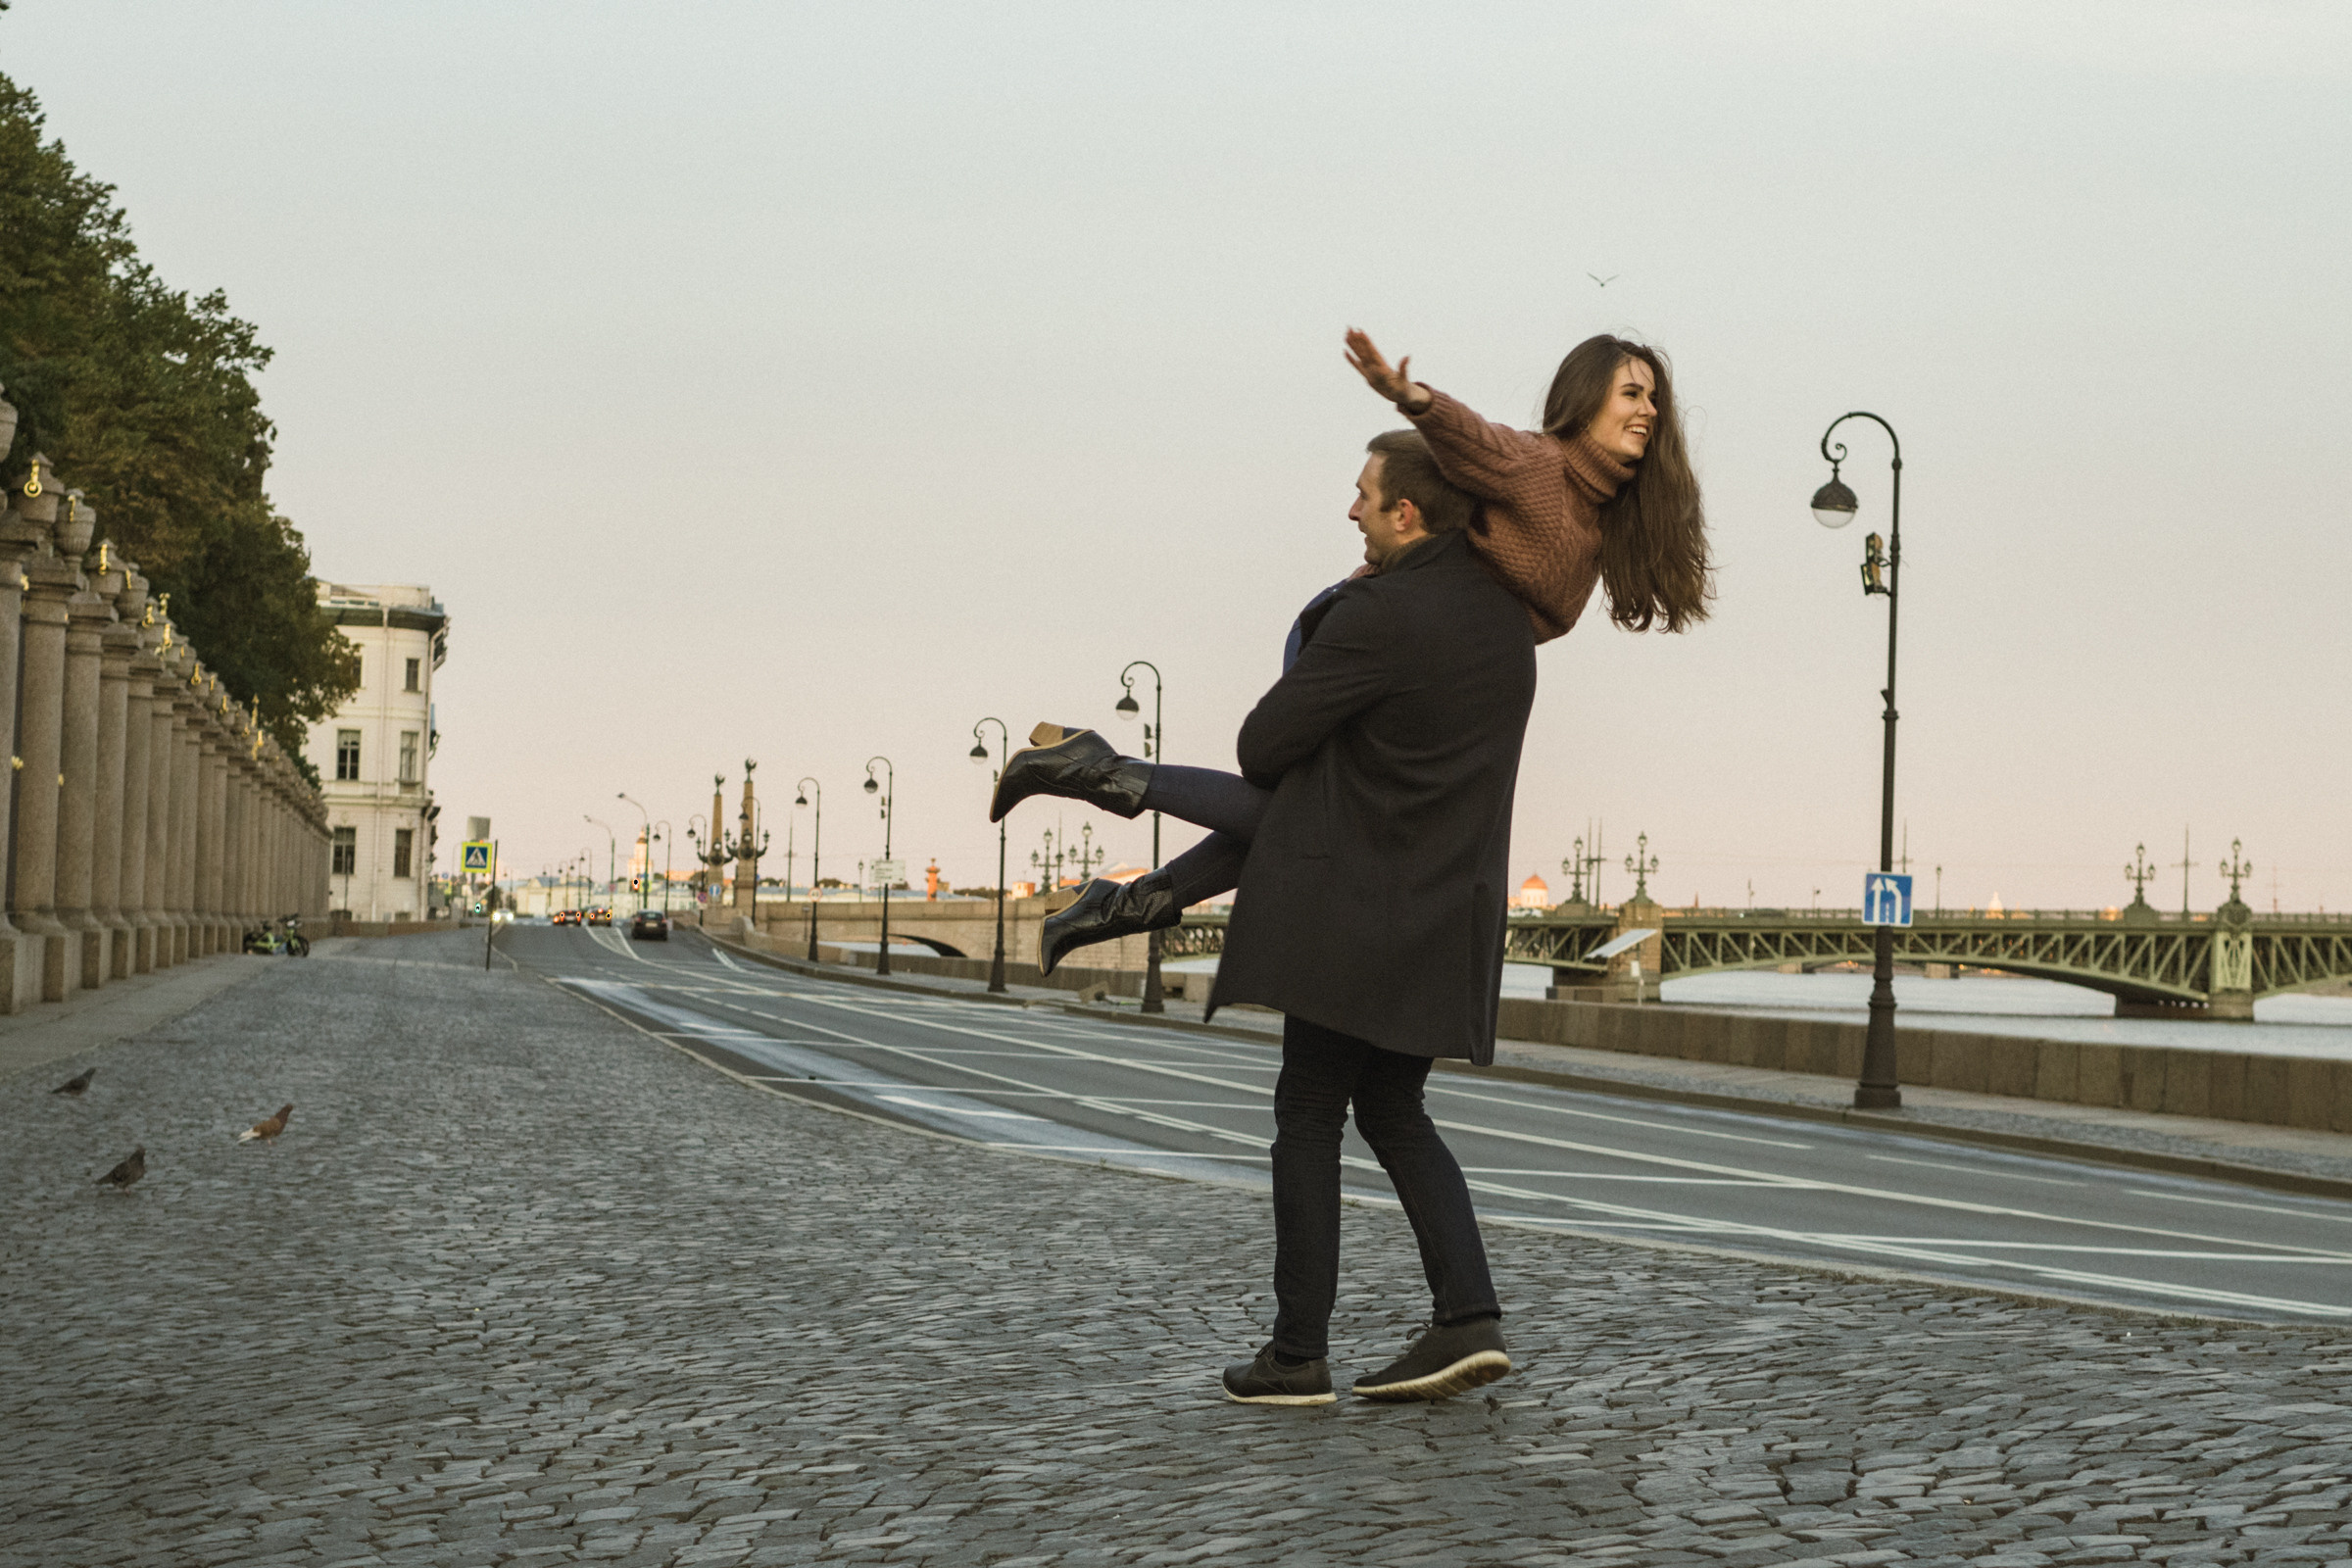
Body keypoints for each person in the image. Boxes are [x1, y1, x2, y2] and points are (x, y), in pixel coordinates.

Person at [992, 328, 1709, 973]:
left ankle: (1116, 882)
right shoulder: (1539, 469)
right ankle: (1100, 794)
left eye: (1654, 396)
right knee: (1316, 820)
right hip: (1362, 638)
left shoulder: (1602, 520)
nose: (1647, 408)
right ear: (1584, 403)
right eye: (1631, 392)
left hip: (1413, 676)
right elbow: (1478, 439)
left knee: (1303, 820)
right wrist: (1412, 397)